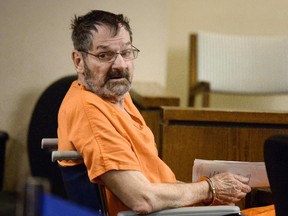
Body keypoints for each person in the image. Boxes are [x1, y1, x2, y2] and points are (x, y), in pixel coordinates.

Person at [57, 10, 252, 216]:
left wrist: (210, 192)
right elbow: (142, 199)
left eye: (126, 52)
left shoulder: (117, 96)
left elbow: (154, 182)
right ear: (79, 61)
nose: (120, 65)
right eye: (104, 55)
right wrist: (209, 188)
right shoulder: (90, 110)